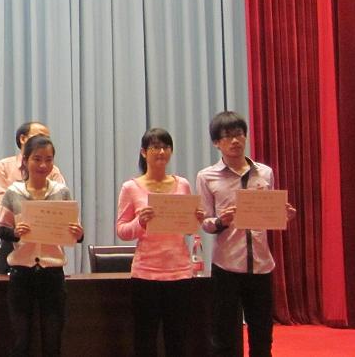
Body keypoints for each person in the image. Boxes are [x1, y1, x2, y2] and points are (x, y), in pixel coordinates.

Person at [196, 111, 297, 357]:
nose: (235, 141)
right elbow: (204, 222)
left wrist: (283, 214)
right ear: (216, 143)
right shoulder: (206, 176)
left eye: (239, 134)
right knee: (224, 338)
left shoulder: (265, 172)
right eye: (227, 136)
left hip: (261, 265)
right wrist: (221, 221)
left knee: (262, 336)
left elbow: (269, 215)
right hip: (227, 266)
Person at [116, 128, 205, 357]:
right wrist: (140, 223)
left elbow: (187, 229)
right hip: (146, 273)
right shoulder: (131, 187)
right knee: (145, 340)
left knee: (178, 339)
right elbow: (122, 230)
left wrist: (195, 220)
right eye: (155, 147)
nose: (161, 152)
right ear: (143, 152)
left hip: (180, 272)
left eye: (166, 147)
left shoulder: (182, 184)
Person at [0, 135, 84, 357]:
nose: (43, 165)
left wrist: (78, 233)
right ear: (25, 160)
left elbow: (75, 231)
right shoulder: (14, 192)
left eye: (48, 159)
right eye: (37, 159)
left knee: (53, 339)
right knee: (21, 340)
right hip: (21, 273)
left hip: (52, 273)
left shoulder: (61, 191)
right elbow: (1, 229)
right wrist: (15, 233)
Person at [0, 121, 66, 271]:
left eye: (47, 138)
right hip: (15, 237)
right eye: (40, 136)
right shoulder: (4, 166)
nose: (44, 140)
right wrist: (25, 212)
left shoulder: (53, 170)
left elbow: (61, 205)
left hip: (47, 242)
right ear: (23, 139)